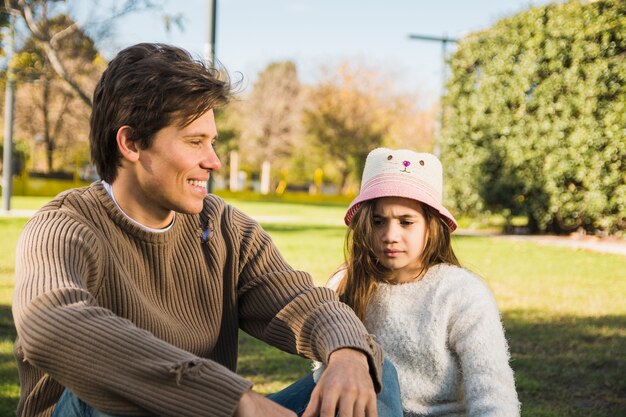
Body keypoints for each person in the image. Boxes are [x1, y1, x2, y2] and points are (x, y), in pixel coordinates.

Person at [12, 43, 386, 417]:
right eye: (194, 142)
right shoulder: (63, 227)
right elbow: (50, 323)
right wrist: (234, 399)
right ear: (130, 143)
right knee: (102, 393)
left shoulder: (224, 228)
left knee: (369, 380)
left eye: (212, 142)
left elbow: (302, 303)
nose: (214, 161)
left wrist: (348, 353)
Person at [326, 148, 521, 416]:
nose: (390, 235)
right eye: (378, 221)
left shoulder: (461, 293)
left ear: (432, 226)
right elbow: (327, 376)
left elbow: (491, 388)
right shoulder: (345, 283)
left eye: (406, 222)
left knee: (385, 376)